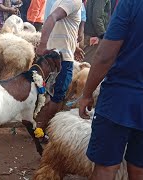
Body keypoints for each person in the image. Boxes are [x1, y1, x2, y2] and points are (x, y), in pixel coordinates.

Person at [79, 0, 143, 179]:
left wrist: (86, 94)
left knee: (106, 167)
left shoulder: (132, 3)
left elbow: (105, 55)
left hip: (119, 99)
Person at [36, 0, 82, 132]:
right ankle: (41, 130)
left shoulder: (61, 1)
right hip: (62, 59)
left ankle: (39, 127)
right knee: (58, 96)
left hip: (54, 55)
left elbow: (63, 26)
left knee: (50, 93)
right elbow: (52, 18)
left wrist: (75, 46)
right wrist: (42, 44)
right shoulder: (74, 1)